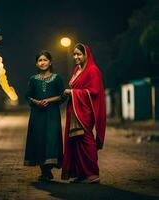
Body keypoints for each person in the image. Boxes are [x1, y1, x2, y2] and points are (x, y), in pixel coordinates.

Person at [61, 43, 106, 183]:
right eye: (74, 54)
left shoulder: (93, 70)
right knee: (75, 141)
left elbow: (94, 91)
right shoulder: (77, 69)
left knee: (86, 140)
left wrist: (72, 92)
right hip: (74, 110)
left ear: (86, 54)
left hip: (84, 111)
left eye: (79, 54)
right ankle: (81, 174)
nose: (76, 57)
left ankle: (92, 173)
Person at [24, 50, 66, 181]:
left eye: (45, 60)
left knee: (51, 139)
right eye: (40, 60)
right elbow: (28, 95)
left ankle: (48, 170)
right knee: (39, 139)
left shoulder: (57, 78)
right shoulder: (33, 79)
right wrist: (35, 101)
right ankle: (45, 172)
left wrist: (49, 100)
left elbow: (63, 96)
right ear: (36, 63)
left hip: (52, 114)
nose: (42, 63)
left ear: (50, 62)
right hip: (37, 114)